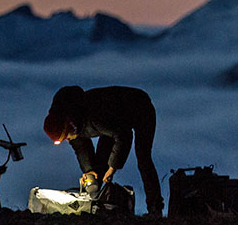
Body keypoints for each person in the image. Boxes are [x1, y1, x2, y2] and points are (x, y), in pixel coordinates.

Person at [43, 85, 164, 216]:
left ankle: (154, 207)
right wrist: (89, 171)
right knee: (99, 166)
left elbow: (124, 135)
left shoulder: (95, 116)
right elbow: (81, 147)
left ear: (69, 128)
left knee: (143, 158)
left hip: (140, 108)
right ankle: (97, 205)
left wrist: (113, 168)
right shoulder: (70, 122)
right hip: (112, 125)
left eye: (66, 137)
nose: (67, 140)